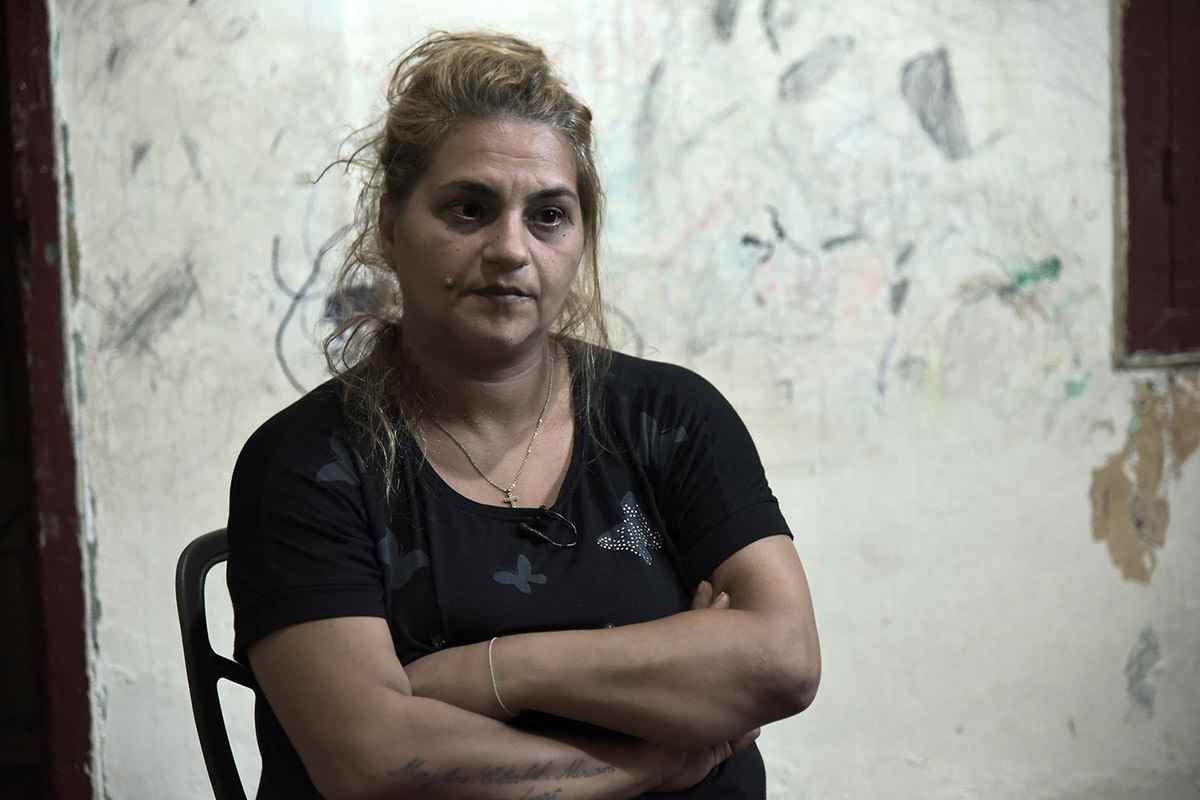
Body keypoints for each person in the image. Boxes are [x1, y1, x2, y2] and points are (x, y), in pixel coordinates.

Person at [227, 31, 820, 800]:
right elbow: (375, 758)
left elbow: (783, 660)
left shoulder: (671, 417)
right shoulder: (309, 463)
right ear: (388, 225)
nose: (511, 248)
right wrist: (656, 752)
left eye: (548, 216)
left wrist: (487, 672)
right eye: (469, 209)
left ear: (580, 240)